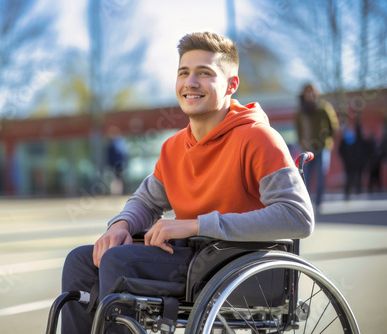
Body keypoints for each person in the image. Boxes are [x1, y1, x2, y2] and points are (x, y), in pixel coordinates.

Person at [61, 32, 314, 333]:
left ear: (231, 85)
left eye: (204, 73)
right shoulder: (174, 147)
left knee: (119, 263)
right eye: (184, 73)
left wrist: (195, 225)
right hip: (191, 262)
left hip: (238, 267)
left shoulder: (258, 138)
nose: (190, 83)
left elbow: (297, 216)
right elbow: (146, 201)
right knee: (81, 260)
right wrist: (121, 225)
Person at [294, 83, 339, 210]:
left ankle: (319, 202)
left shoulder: (324, 107)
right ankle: (306, 204)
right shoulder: (300, 111)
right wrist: (301, 143)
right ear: (304, 94)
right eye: (307, 91)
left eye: (312, 91)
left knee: (321, 175)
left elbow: (333, 125)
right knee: (305, 177)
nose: (310, 94)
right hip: (307, 149)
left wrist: (326, 140)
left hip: (322, 147)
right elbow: (298, 130)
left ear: (316, 93)